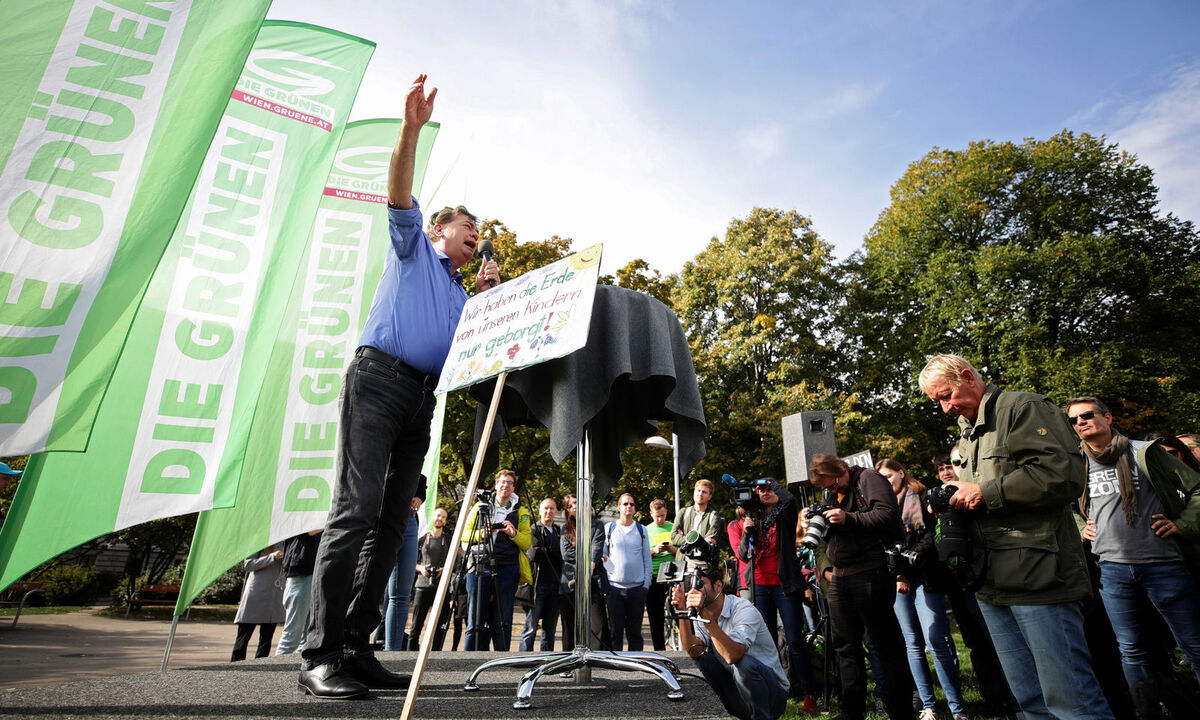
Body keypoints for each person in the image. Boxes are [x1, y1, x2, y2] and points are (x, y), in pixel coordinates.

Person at [298, 74, 500, 699]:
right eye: (470, 225)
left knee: (392, 523)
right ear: (441, 229)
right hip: (378, 383)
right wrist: (410, 129)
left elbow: (472, 359)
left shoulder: (463, 295)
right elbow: (400, 191)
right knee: (354, 512)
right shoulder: (413, 248)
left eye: (479, 230)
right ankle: (319, 653)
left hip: (422, 399)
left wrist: (490, 303)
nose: (478, 234)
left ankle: (356, 649)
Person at [919, 354, 1112, 720]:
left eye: (947, 396)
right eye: (938, 402)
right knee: (1030, 702)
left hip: (1041, 577)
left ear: (966, 376)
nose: (945, 408)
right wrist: (953, 502)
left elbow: (1064, 476)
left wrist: (982, 492)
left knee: (1072, 701)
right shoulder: (969, 428)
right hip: (992, 581)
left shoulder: (1023, 407)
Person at [1065, 397, 1200, 698]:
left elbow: (1196, 487)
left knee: (1194, 645)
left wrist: (1183, 523)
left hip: (1164, 564)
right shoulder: (1074, 462)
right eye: (1073, 420)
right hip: (1111, 571)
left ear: (1108, 418)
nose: (1080, 423)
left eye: (1086, 415)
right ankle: (1147, 710)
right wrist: (1079, 527)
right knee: (1132, 652)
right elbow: (1063, 506)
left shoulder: (1144, 452)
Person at [801, 455, 913, 720]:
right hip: (841, 577)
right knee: (844, 647)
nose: (830, 490)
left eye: (832, 484)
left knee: (885, 645)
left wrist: (848, 518)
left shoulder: (869, 479)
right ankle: (851, 712)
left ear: (841, 470)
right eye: (825, 488)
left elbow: (887, 515)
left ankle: (901, 711)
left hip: (871, 573)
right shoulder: (832, 493)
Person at [876, 459, 968, 720]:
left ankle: (957, 708)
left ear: (901, 473)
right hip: (899, 581)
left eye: (889, 476)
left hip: (928, 577)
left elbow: (931, 534)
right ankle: (929, 707)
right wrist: (899, 572)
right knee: (912, 645)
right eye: (881, 478)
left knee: (936, 640)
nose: (886, 482)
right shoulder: (882, 507)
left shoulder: (923, 496)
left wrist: (912, 556)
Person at [671, 565, 789, 720]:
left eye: (700, 585)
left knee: (744, 663)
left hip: (772, 696)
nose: (695, 591)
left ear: (718, 586)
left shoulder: (744, 609)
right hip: (738, 691)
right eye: (692, 585)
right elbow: (693, 650)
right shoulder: (703, 611)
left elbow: (732, 655)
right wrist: (682, 613)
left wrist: (707, 618)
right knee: (701, 659)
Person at [739, 479, 815, 711]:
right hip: (760, 586)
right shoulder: (754, 518)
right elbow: (743, 555)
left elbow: (790, 499)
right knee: (767, 641)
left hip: (784, 585)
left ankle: (809, 693)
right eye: (761, 491)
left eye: (770, 490)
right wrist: (746, 531)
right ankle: (775, 690)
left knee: (794, 640)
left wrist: (768, 482)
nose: (766, 493)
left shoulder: (785, 514)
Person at [462, 469, 532, 651]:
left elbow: (526, 543)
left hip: (507, 568)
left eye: (509, 482)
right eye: (502, 482)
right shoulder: (480, 507)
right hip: (479, 566)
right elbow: (463, 535)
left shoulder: (521, 511)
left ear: (513, 487)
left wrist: (513, 533)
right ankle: (467, 660)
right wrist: (481, 533)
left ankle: (501, 659)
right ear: (496, 484)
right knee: (475, 620)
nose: (505, 486)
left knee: (503, 621)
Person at [382, 478, 428, 650]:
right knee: (364, 590)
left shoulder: (410, 454)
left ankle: (391, 655)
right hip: (378, 518)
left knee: (401, 595)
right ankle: (353, 649)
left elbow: (419, 477)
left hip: (407, 522)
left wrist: (419, 496)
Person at [603, 493, 653, 651]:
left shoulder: (641, 529)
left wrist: (646, 585)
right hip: (614, 589)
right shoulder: (609, 528)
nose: (628, 507)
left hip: (637, 589)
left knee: (635, 632)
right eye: (625, 504)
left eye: (631, 504)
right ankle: (614, 664)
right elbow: (602, 558)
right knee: (615, 632)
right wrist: (606, 585)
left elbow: (647, 559)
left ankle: (636, 662)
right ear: (618, 507)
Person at [520, 498, 563, 651]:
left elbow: (563, 555)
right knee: (530, 628)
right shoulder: (533, 530)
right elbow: (535, 554)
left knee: (550, 630)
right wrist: (553, 551)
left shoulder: (559, 531)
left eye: (552, 508)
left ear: (556, 511)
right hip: (537, 586)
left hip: (555, 586)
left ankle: (547, 660)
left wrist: (549, 549)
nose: (548, 511)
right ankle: (524, 660)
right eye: (545, 508)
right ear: (539, 511)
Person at [406, 506, 451, 651]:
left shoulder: (449, 540)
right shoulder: (422, 539)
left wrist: (445, 569)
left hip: (441, 587)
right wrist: (422, 569)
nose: (439, 519)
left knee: (440, 627)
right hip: (422, 586)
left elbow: (457, 562)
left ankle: (437, 655)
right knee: (416, 626)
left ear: (445, 521)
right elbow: (411, 561)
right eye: (438, 515)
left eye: (443, 517)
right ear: (433, 517)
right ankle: (409, 655)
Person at [233, 546, 285, 662]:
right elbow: (248, 564)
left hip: (274, 594)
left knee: (267, 637)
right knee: (244, 635)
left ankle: (261, 666)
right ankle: (235, 665)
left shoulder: (285, 543)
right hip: (255, 593)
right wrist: (271, 557)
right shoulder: (259, 542)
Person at [276, 529, 322, 655]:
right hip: (300, 577)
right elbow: (310, 530)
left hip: (310, 576)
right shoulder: (303, 517)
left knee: (305, 640)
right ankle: (276, 670)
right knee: (291, 639)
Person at [645, 498, 677, 650]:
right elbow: (642, 554)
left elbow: (682, 552)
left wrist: (672, 550)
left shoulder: (673, 528)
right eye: (657, 516)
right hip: (654, 574)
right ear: (651, 514)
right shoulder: (646, 530)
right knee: (655, 615)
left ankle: (685, 645)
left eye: (662, 515)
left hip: (672, 574)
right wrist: (654, 550)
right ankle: (659, 649)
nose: (660, 519)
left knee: (678, 612)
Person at [672, 479, 725, 555]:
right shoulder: (683, 512)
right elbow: (674, 538)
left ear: (710, 496)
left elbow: (709, 541)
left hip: (703, 562)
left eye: (704, 492)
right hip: (683, 562)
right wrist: (702, 540)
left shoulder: (713, 516)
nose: (700, 494)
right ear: (694, 492)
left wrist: (685, 538)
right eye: (698, 490)